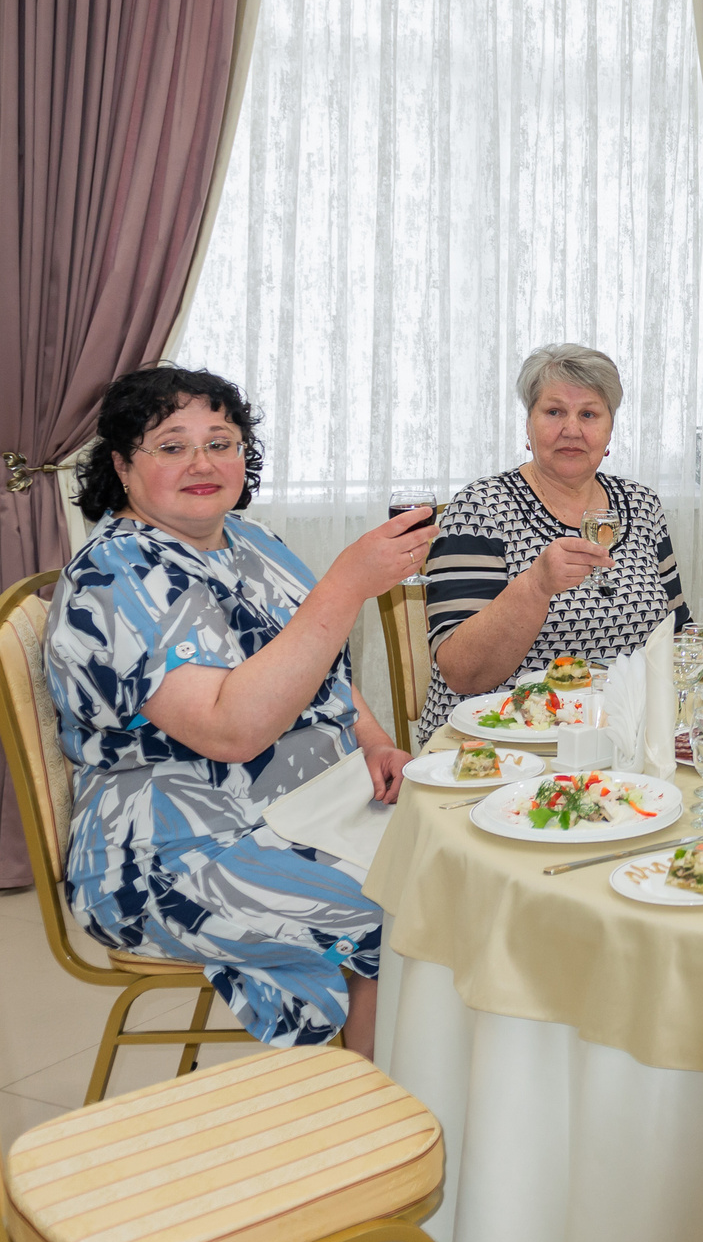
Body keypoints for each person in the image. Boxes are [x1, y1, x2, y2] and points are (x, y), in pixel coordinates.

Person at [47, 365, 425, 1056]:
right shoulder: (117, 573)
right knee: (410, 910)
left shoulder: (253, 542)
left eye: (222, 442)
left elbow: (320, 664)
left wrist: (372, 741)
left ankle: (407, 1100)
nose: (203, 462)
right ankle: (373, 1123)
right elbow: (229, 729)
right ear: (123, 466)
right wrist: (346, 585)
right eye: (171, 445)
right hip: (172, 852)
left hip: (307, 806)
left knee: (452, 863)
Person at [421, 344, 694, 739]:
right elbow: (462, 672)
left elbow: (677, 631)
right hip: (501, 739)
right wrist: (536, 586)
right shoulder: (480, 507)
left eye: (588, 414)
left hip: (623, 733)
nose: (571, 429)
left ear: (609, 430)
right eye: (554, 412)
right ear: (528, 426)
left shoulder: (642, 503)